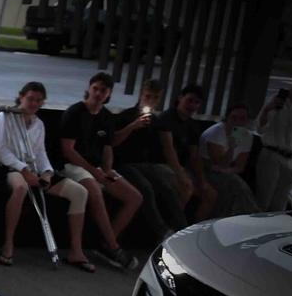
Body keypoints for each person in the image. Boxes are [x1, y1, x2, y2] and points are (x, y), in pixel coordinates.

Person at [0, 82, 92, 270]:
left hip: (34, 170)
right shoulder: (4, 117)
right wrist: (24, 170)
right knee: (21, 188)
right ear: (21, 97)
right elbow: (1, 151)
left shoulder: (39, 124)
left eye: (38, 100)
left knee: (80, 192)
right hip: (9, 168)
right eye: (30, 99)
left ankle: (76, 251)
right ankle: (8, 244)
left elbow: (40, 153)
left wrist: (47, 172)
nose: (33, 103)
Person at [58, 72, 143, 271]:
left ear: (108, 94)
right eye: (95, 88)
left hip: (96, 167)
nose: (98, 93)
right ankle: (114, 247)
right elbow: (67, 151)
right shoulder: (75, 113)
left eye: (103, 90)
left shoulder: (106, 117)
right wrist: (95, 173)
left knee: (135, 197)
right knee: (94, 189)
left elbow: (107, 147)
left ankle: (106, 242)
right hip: (72, 165)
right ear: (89, 88)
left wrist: (107, 171)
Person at [111, 78, 188, 240]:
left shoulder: (157, 121)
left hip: (145, 165)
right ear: (141, 95)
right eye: (148, 97)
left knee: (167, 188)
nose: (151, 101)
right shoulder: (126, 116)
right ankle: (162, 230)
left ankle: (181, 229)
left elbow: (167, 147)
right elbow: (113, 142)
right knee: (145, 188)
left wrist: (179, 172)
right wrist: (133, 126)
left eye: (155, 98)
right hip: (123, 163)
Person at [256, 67, 292, 212]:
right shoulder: (278, 98)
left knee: (281, 203)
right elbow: (259, 128)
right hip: (272, 153)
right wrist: (268, 108)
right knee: (263, 199)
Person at [156, 83, 216, 219]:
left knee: (210, 193)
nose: (192, 105)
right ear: (180, 98)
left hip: (182, 167)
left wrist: (201, 180)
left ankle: (191, 229)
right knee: (186, 187)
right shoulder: (167, 118)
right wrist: (181, 174)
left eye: (196, 102)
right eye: (189, 100)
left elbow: (195, 156)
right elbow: (168, 150)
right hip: (161, 164)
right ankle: (170, 227)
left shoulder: (192, 125)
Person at [198, 101, 259, 217]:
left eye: (242, 119)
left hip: (225, 172)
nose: (237, 122)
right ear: (227, 118)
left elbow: (240, 166)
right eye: (234, 118)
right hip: (205, 170)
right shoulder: (215, 133)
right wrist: (231, 147)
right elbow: (221, 163)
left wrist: (227, 171)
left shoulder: (246, 135)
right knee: (234, 187)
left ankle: (247, 216)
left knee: (238, 186)